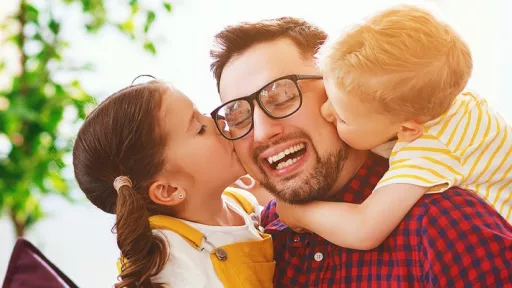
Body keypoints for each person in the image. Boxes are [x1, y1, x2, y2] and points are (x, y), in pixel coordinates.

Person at [209, 16, 512, 286]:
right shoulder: (260, 237)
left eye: (281, 96)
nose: (262, 132)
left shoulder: (444, 222)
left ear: (337, 84)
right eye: (237, 116)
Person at [267, 5, 512, 251]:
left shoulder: (430, 149)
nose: (325, 111)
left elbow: (364, 229)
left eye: (342, 117)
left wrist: (300, 214)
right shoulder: (445, 100)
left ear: (407, 130)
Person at [72, 79, 274, 288]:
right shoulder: (171, 263)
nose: (219, 120)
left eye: (202, 112)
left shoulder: (241, 202)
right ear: (168, 190)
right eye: (200, 129)